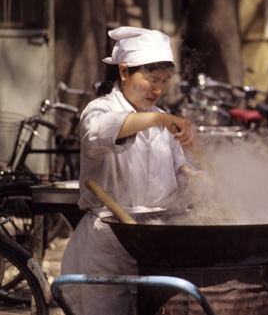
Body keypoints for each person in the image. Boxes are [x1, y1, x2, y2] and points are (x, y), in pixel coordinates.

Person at [60, 26, 198, 315]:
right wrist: (160, 119)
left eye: (165, 80)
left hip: (155, 244)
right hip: (106, 248)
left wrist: (195, 177)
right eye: (152, 79)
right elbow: (104, 131)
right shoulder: (98, 110)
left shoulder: (162, 121)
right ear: (124, 72)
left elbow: (179, 169)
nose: (159, 89)